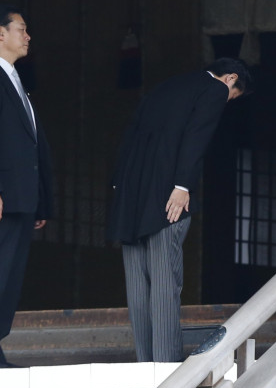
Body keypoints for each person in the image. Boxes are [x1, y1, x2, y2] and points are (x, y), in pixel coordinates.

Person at [107, 57, 251, 362]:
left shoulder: (166, 86)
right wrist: (182, 186)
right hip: (166, 196)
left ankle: (145, 363)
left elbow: (129, 137)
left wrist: (120, 189)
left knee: (137, 283)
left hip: (132, 196)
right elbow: (197, 137)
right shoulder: (213, 89)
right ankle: (165, 363)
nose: (228, 101)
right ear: (230, 78)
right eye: (233, 96)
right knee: (164, 282)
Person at [0, 5, 54, 367]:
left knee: (8, 276)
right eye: (21, 29)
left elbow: (30, 144)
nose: (27, 36)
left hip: (20, 199)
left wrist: (39, 200)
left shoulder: (14, 79)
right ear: (0, 33)